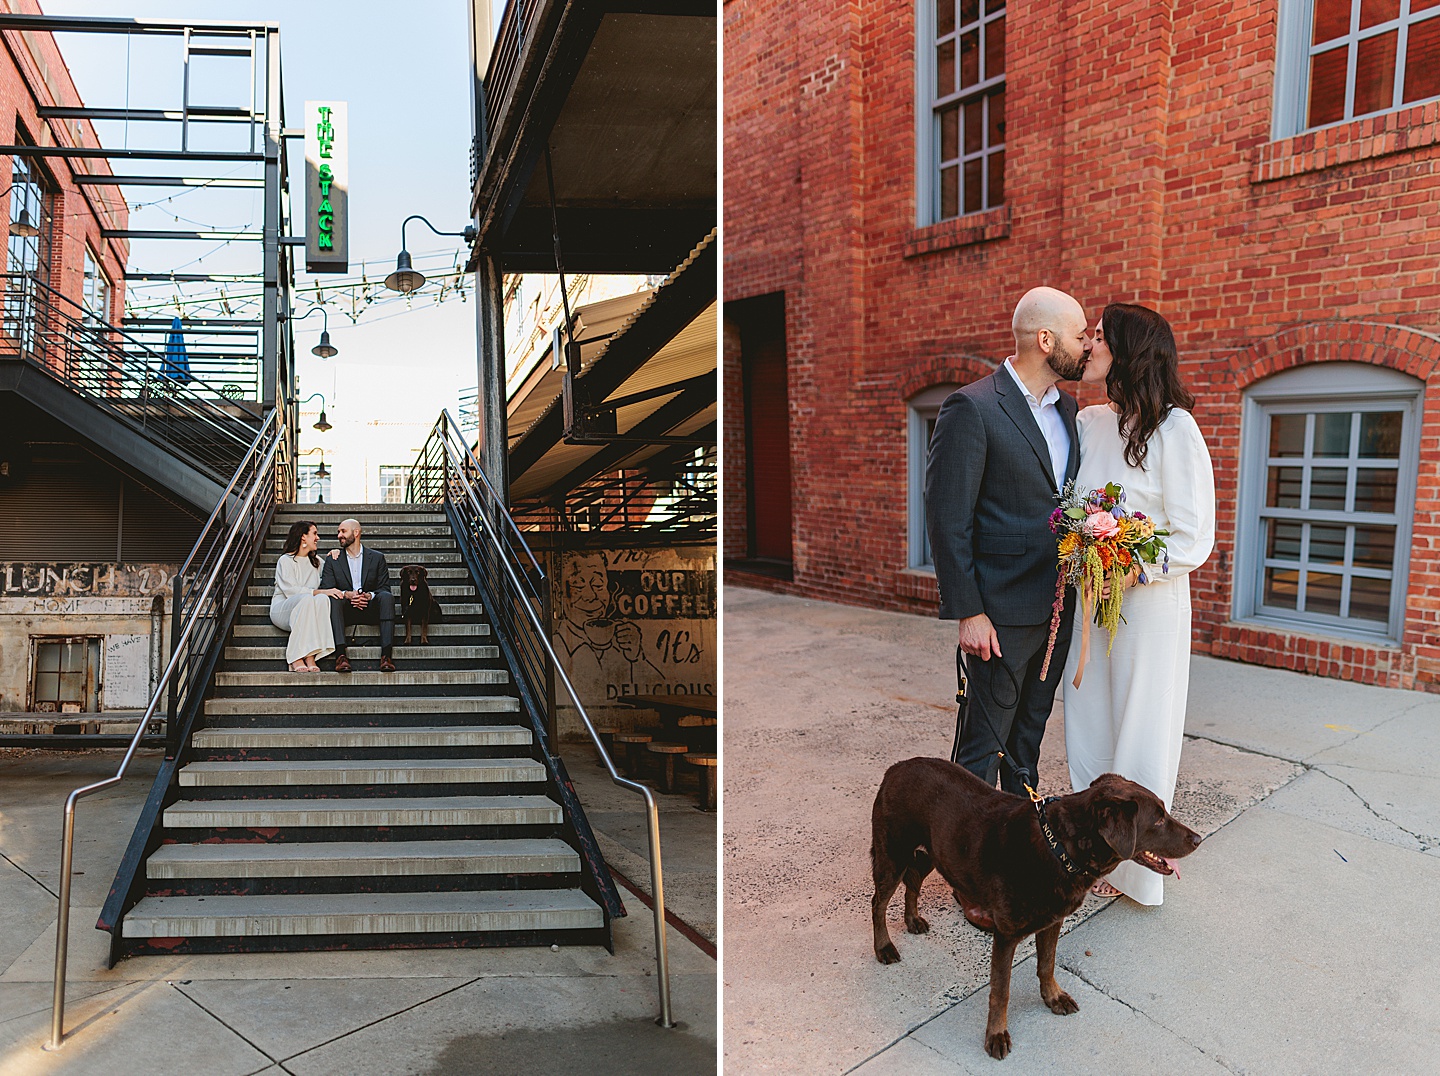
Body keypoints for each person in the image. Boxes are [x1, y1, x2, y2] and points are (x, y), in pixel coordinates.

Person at [1062, 303, 1216, 905]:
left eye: (1100, 336)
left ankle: (1139, 870)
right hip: (1089, 603)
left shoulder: (1176, 430)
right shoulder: (1091, 423)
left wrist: (1125, 563)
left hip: (1148, 608)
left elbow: (1193, 536)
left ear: (1129, 351)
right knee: (1088, 717)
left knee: (1141, 722)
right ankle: (1089, 854)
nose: (1090, 344)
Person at [925, 286, 1089, 795]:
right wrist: (968, 611)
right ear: (1046, 339)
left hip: (1059, 606)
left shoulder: (1069, 410)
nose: (1086, 344)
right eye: (1079, 334)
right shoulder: (972, 407)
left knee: (1028, 743)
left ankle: (1018, 851)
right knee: (981, 747)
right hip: (999, 615)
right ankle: (966, 865)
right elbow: (947, 516)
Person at [320, 517, 396, 672]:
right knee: (333, 599)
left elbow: (384, 588)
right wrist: (346, 594)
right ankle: (340, 655)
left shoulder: (377, 558)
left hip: (370, 609)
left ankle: (386, 656)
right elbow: (326, 588)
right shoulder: (333, 559)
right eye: (338, 532)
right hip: (345, 610)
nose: (339, 535)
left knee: (387, 597)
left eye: (343, 531)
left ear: (356, 533)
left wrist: (369, 596)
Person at [269, 520, 341, 672]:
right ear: (303, 537)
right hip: (283, 609)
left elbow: (332, 571)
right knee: (310, 597)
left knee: (322, 600)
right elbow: (291, 591)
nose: (318, 538)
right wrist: (320, 591)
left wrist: (335, 555)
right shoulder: (285, 560)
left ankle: (310, 655)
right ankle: (296, 657)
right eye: (314, 533)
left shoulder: (316, 562)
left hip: (306, 607)